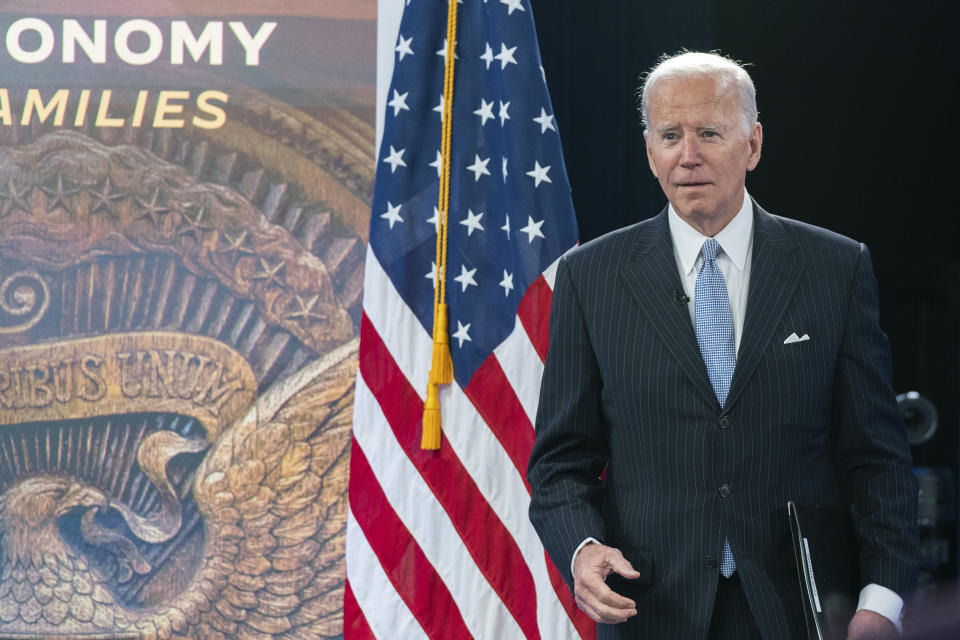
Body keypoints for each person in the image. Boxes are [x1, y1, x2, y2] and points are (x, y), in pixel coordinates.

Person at [527, 51, 918, 639]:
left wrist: (882, 599)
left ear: (753, 144)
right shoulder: (591, 278)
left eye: (709, 133)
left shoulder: (835, 268)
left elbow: (878, 458)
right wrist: (582, 549)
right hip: (652, 610)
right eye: (670, 136)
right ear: (649, 148)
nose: (689, 156)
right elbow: (561, 461)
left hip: (799, 612)